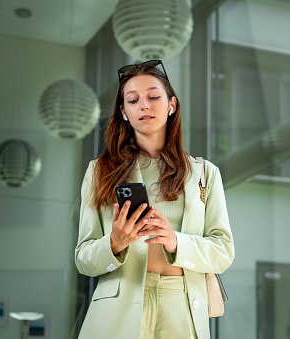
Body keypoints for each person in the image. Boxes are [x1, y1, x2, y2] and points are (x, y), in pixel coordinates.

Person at [75, 60, 235, 339]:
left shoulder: (204, 173)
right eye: (133, 100)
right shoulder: (100, 170)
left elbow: (223, 251)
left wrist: (175, 241)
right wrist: (114, 243)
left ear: (172, 105)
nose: (144, 106)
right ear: (124, 113)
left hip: (182, 306)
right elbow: (83, 258)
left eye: (153, 96)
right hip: (118, 307)